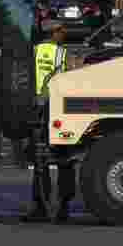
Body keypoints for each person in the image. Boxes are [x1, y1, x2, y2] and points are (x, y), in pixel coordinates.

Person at [22, 22, 75, 222]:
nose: (64, 33)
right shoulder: (62, 54)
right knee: (64, 161)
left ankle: (41, 208)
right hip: (56, 110)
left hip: (36, 112)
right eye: (61, 30)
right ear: (53, 33)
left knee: (40, 162)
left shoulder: (33, 52)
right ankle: (63, 207)